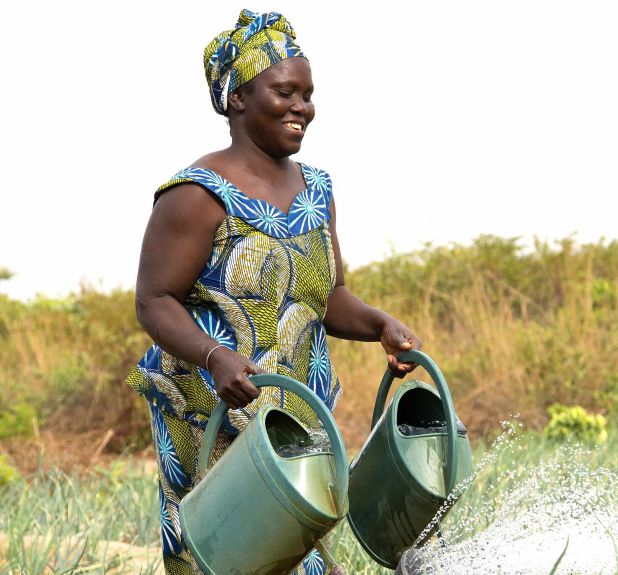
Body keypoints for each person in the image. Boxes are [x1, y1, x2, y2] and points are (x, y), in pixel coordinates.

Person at [125, 10, 422, 575]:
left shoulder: (317, 188)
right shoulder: (195, 194)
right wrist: (215, 357)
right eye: (285, 92)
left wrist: (379, 323)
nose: (302, 108)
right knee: (225, 553)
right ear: (238, 98)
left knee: (297, 550)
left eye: (308, 95)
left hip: (295, 409)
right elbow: (154, 299)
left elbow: (326, 296)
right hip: (210, 411)